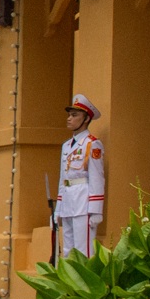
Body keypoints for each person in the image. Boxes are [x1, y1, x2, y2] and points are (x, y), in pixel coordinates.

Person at [55, 94, 106, 260]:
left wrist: (96, 210)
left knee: (84, 250)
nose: (69, 119)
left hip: (83, 202)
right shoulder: (66, 146)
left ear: (85, 119)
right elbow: (63, 178)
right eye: (69, 115)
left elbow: (97, 178)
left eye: (74, 115)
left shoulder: (92, 144)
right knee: (68, 250)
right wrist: (58, 208)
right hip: (69, 200)